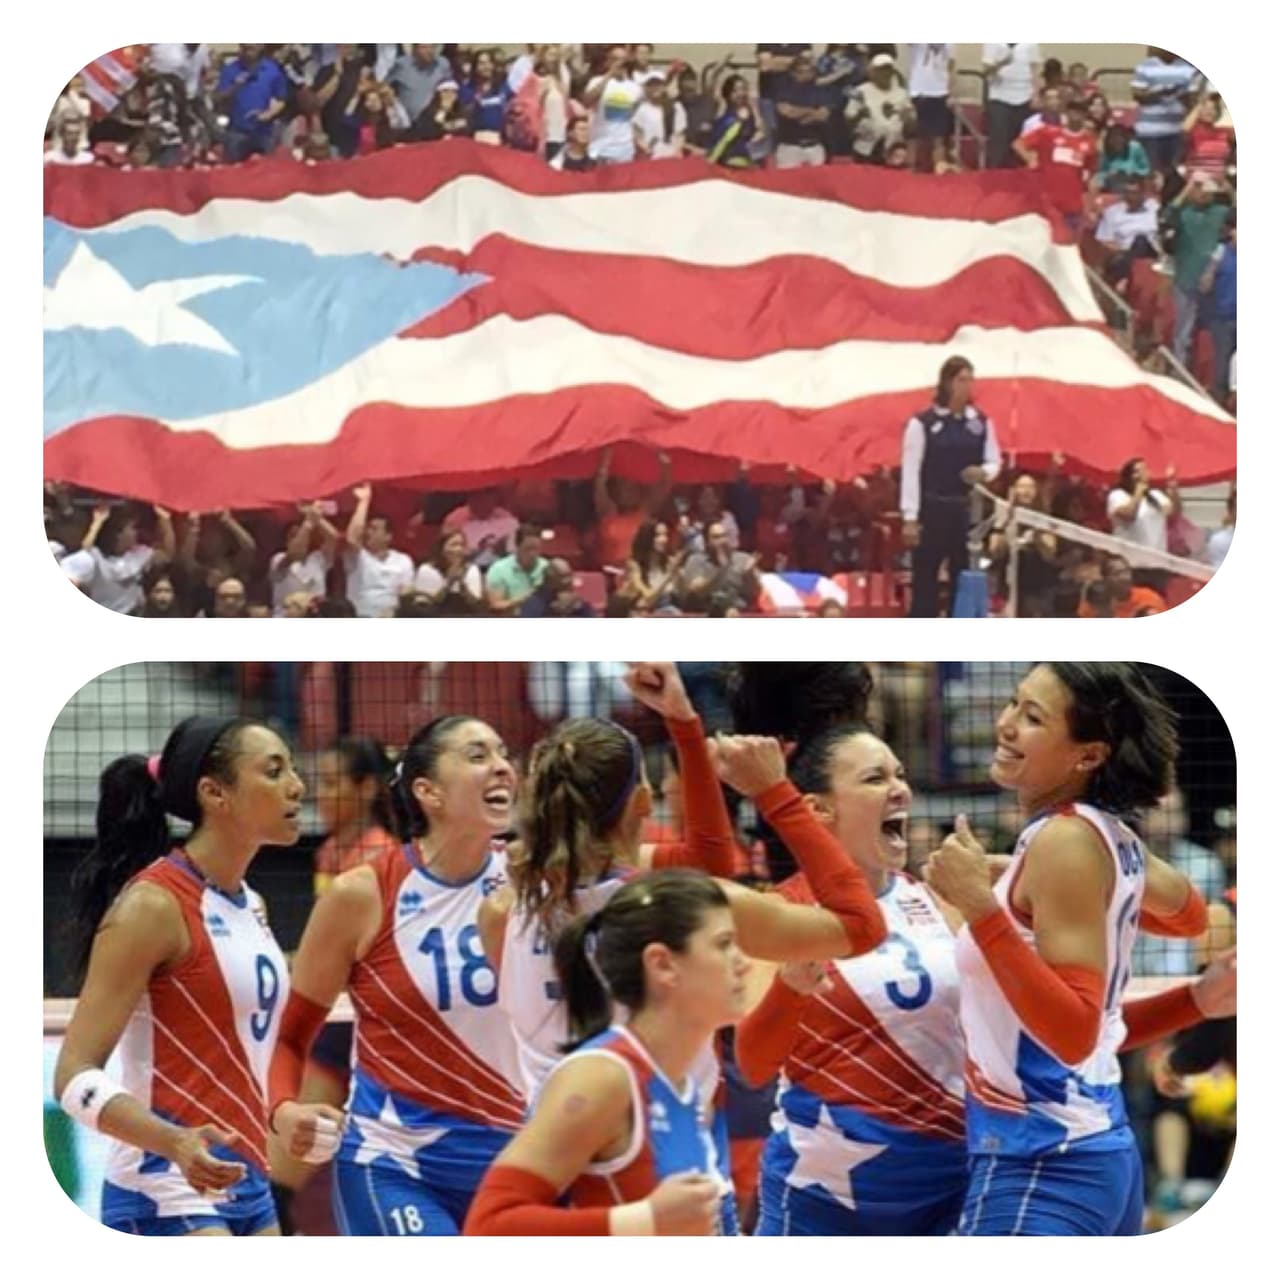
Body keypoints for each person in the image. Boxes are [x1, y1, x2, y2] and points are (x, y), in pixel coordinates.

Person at [476, 663, 890, 1231]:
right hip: (653, 1167)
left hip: (560, 1151)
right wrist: (768, 786)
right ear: (644, 802)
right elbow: (859, 924)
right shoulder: (671, 906)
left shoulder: (502, 910)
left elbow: (704, 863)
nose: (735, 960)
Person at [923, 663, 1230, 1236]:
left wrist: (982, 907)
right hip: (1095, 1148)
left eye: (1033, 717)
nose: (1007, 724)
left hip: (1042, 1163)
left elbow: (1071, 1032)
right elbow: (1189, 917)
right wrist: (1034, 887)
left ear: (1087, 756)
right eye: (1014, 704)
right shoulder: (1110, 836)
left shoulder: (1065, 841)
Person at [53, 716, 324, 1235]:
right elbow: (73, 1077)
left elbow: (239, 1060)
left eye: (291, 768)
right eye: (274, 771)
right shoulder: (151, 906)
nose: (297, 785)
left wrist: (282, 1115)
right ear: (214, 793)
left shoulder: (251, 905)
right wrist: (173, 1142)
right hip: (164, 1183)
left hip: (247, 1179)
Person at [267, 716, 525, 1235]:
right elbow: (290, 1036)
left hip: (520, 1162)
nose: (501, 767)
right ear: (427, 792)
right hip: (395, 1163)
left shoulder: (536, 878)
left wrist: (683, 723)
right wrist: (283, 1109)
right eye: (477, 756)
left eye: (503, 754)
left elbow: (705, 857)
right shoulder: (363, 894)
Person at [735, 721, 968, 1235]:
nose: (900, 788)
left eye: (900, 774)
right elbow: (752, 1066)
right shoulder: (781, 913)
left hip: (946, 1188)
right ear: (818, 809)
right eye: (874, 778)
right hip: (825, 1197)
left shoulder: (939, 900)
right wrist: (788, 989)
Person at [465, 870, 745, 1235]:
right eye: (723, 944)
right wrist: (644, 1221)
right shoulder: (602, 1078)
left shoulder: (683, 1084)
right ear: (662, 965)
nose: (744, 962)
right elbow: (488, 1227)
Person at [900, 356, 1001, 618]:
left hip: (965, 511)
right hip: (932, 508)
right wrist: (910, 517)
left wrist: (984, 473)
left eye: (970, 380)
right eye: (961, 380)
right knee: (926, 578)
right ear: (946, 382)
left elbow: (994, 460)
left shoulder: (980, 422)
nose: (967, 386)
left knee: (963, 575)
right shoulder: (922, 423)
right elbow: (911, 470)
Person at [1168, 172, 1233, 366]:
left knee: (1210, 331)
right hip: (1186, 279)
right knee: (1183, 330)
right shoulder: (1184, 213)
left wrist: (1228, 188)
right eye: (1201, 191)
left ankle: (1203, 369)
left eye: (1208, 192)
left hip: (1212, 282)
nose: (1204, 195)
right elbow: (1167, 215)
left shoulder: (1219, 211)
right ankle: (1179, 366)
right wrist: (1187, 190)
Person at [1015, 97, 1098, 232]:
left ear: (1085, 115)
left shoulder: (1090, 143)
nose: (1076, 115)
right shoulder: (1048, 133)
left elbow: (1091, 173)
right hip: (1046, 201)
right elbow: (1019, 144)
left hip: (1072, 205)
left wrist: (1089, 205)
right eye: (1072, 111)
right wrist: (1030, 158)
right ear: (1066, 113)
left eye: (1080, 112)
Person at [80, 503, 176, 615]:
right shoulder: (98, 556)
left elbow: (167, 554)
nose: (136, 533)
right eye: (132, 529)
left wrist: (165, 521)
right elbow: (84, 551)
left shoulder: (139, 554)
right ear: (118, 534)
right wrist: (98, 522)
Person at [593, 447, 673, 570]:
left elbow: (663, 488)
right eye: (624, 488)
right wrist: (604, 464)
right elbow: (599, 488)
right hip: (610, 572)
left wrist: (665, 466)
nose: (628, 492)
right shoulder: (609, 514)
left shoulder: (643, 514)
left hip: (638, 570)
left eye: (632, 489)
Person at [343, 484, 415, 618]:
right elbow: (352, 537)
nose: (368, 532)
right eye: (368, 528)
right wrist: (364, 502)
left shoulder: (403, 560)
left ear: (388, 536)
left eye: (374, 529)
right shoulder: (358, 556)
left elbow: (406, 592)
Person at [1131, 48, 1201, 175]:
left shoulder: (1188, 68)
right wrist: (1162, 92)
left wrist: (1181, 94)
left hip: (1176, 132)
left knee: (1174, 175)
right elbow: (1138, 95)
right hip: (1149, 133)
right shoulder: (1145, 66)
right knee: (1153, 175)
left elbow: (1192, 100)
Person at [216, 44, 288, 162]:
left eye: (252, 47)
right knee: (233, 172)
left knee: (265, 172)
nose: (248, 51)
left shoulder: (272, 70)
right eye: (245, 47)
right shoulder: (230, 69)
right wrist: (235, 86)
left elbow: (281, 99)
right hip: (237, 131)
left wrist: (268, 114)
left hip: (264, 132)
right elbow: (219, 98)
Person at [270, 503, 339, 617]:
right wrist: (307, 524)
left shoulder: (318, 559)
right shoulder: (278, 560)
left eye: (302, 534)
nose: (301, 537)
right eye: (294, 536)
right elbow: (296, 553)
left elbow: (333, 537)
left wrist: (315, 516)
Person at [1107, 457, 1179, 561]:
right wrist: (1138, 494)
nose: (1142, 474)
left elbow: (1172, 512)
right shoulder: (1118, 495)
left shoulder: (1155, 495)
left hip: (1158, 561)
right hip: (1131, 562)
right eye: (1137, 471)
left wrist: (1172, 488)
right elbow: (1129, 515)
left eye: (1145, 469)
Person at [846, 54, 914, 165]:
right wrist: (859, 115)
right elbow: (848, 120)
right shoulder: (859, 91)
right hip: (865, 151)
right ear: (872, 72)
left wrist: (908, 119)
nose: (885, 74)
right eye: (880, 70)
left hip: (894, 153)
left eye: (888, 70)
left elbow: (912, 128)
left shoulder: (902, 93)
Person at [678, 523, 760, 614]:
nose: (722, 541)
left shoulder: (743, 559)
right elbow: (698, 591)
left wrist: (750, 575)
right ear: (707, 542)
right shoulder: (696, 560)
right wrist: (721, 570)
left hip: (737, 611)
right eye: (716, 537)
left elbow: (754, 593)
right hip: (706, 611)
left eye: (724, 536)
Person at [1094, 178, 1161, 289]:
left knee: (1141, 240)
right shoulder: (1113, 212)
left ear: (1142, 194)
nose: (1130, 197)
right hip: (1125, 251)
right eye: (1127, 192)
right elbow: (1104, 241)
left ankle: (1124, 277)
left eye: (1134, 193)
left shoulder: (1154, 208)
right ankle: (1126, 276)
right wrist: (1121, 249)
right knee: (1138, 243)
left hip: (1153, 250)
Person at [981, 43, 1041, 167]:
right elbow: (986, 72)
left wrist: (1036, 94)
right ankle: (995, 177)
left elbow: (1035, 69)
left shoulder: (1031, 43)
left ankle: (1019, 178)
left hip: (1025, 97)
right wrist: (1002, 62)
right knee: (999, 145)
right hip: (1000, 97)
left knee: (1022, 144)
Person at [1199, 212, 1237, 403]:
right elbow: (1205, 284)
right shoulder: (1221, 253)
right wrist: (1210, 272)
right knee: (1221, 366)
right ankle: (1218, 402)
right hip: (1223, 317)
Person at [583, 46, 643, 164]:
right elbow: (587, 101)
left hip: (625, 149)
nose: (619, 63)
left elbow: (633, 112)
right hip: (600, 147)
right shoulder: (596, 81)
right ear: (608, 61)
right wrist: (610, 74)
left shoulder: (635, 88)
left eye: (623, 60)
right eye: (615, 59)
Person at [773, 50, 829, 169]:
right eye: (801, 72)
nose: (806, 75)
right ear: (793, 73)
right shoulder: (784, 91)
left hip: (814, 146)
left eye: (809, 71)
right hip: (790, 147)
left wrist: (801, 114)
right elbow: (788, 112)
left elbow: (824, 115)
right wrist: (811, 112)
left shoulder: (819, 91)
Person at [440, 488, 519, 570]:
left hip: (501, 568)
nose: (482, 502)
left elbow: (516, 551)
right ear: (469, 498)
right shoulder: (455, 519)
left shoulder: (507, 519)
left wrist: (503, 550)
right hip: (465, 568)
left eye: (487, 497)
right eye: (477, 497)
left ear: (495, 498)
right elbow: (445, 549)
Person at [906, 43, 954, 173]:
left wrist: (950, 90)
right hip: (919, 91)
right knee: (914, 135)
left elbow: (950, 63)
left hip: (940, 92)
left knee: (939, 137)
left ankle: (939, 169)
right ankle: (910, 170)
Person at [415, 529, 486, 616]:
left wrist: (462, 584)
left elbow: (475, 604)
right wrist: (449, 582)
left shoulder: (471, 569)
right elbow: (426, 604)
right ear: (441, 548)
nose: (458, 549)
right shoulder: (427, 569)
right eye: (453, 545)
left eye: (462, 545)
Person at [624, 520, 689, 613]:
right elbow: (648, 598)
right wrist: (669, 576)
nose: (664, 539)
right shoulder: (634, 565)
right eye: (658, 535)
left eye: (665, 535)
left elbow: (684, 595)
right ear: (647, 538)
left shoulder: (669, 561)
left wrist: (678, 573)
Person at [1077, 554, 1168, 618]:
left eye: (1126, 571)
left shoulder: (1148, 598)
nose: (1125, 577)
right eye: (1117, 573)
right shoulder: (1096, 600)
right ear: (1105, 579)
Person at [485, 524, 548, 615]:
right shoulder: (498, 570)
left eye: (536, 549)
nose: (533, 554)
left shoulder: (547, 567)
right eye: (528, 549)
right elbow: (496, 606)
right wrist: (525, 599)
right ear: (517, 547)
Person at [707, 75, 763, 169]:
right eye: (735, 90)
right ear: (728, 94)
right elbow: (722, 144)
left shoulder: (750, 115)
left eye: (743, 89)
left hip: (749, 164)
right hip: (730, 166)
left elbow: (759, 134)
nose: (741, 93)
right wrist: (710, 164)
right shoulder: (727, 120)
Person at [388, 44, 452, 125]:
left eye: (432, 47)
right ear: (414, 49)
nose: (429, 51)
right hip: (407, 125)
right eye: (424, 47)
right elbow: (385, 87)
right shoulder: (401, 65)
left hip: (435, 122)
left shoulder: (442, 64)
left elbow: (450, 89)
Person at [1181, 91, 1233, 186]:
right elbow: (1184, 129)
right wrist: (1200, 104)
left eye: (1213, 109)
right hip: (1196, 185)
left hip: (1220, 184)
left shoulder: (1224, 131)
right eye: (1205, 108)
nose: (1209, 112)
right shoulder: (1194, 130)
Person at [633, 71, 687, 160]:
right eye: (651, 85)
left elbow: (680, 134)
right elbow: (637, 134)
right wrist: (647, 149)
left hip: (672, 157)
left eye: (658, 84)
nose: (655, 88)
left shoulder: (676, 107)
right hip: (651, 158)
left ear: (664, 86)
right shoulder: (642, 109)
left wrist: (676, 151)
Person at [462, 49, 511, 145]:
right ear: (475, 67)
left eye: (489, 63)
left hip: (500, 139)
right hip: (477, 138)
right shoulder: (468, 89)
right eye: (482, 63)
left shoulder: (503, 86)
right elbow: (464, 113)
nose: (486, 67)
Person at [520, 558, 597, 618]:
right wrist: (555, 612)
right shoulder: (534, 602)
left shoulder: (577, 603)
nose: (568, 581)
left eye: (569, 576)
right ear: (550, 580)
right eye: (563, 577)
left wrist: (579, 607)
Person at [1094, 123, 1152, 192]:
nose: (1117, 142)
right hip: (1114, 183)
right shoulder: (1106, 151)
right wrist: (1109, 174)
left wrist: (1132, 173)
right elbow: (1102, 173)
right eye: (1114, 140)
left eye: (1120, 139)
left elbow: (1146, 169)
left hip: (1134, 181)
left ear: (1125, 139)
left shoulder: (1135, 147)